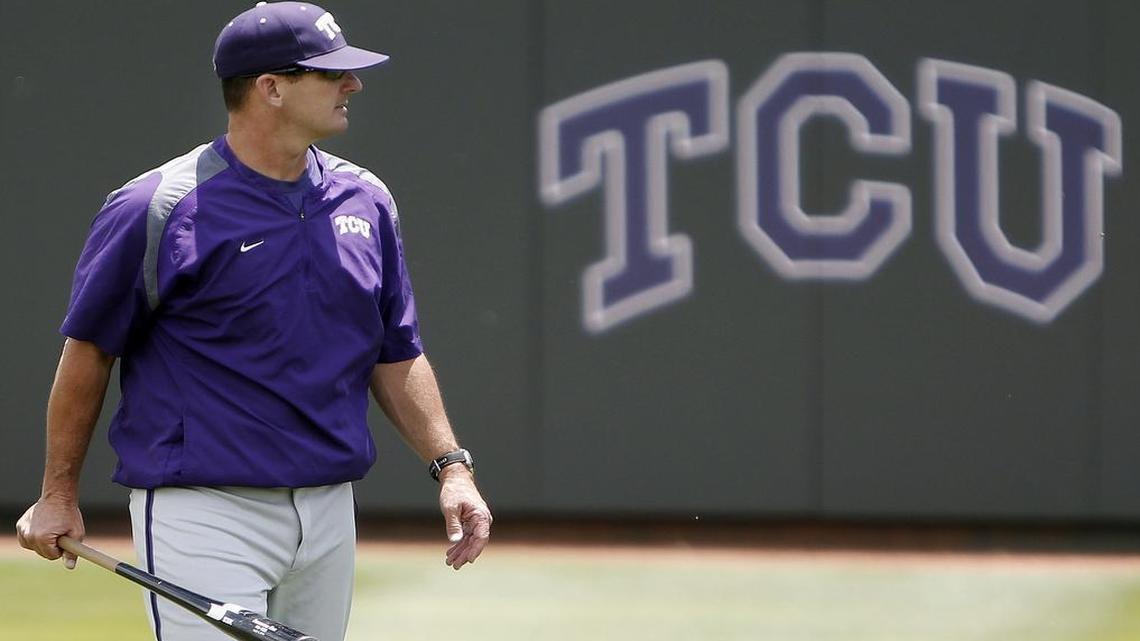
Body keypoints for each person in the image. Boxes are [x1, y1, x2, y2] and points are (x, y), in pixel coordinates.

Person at [14, 2, 492, 640]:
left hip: (328, 509)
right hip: (203, 510)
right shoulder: (157, 206)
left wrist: (451, 467)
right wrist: (57, 493)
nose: (353, 84)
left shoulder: (366, 198)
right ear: (271, 87)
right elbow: (90, 352)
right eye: (332, 73)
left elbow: (396, 350)